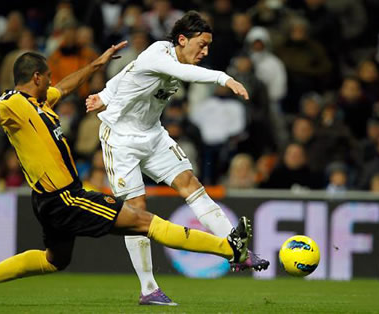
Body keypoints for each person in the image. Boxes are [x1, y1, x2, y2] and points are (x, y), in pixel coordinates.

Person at [0, 44, 255, 307]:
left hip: (48, 201)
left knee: (55, 260)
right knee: (144, 222)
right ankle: (230, 248)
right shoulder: (12, 103)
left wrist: (97, 63)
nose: (52, 82)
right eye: (48, 77)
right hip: (66, 197)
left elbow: (66, 86)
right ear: (36, 77)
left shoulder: (38, 101)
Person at [85, 11, 269, 305]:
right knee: (136, 212)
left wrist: (105, 94)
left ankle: (238, 252)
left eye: (209, 46)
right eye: (202, 44)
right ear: (182, 39)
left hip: (153, 134)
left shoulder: (164, 59)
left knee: (189, 182)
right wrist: (224, 78)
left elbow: (127, 71)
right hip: (121, 139)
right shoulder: (159, 53)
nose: (205, 51)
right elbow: (182, 75)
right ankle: (148, 289)